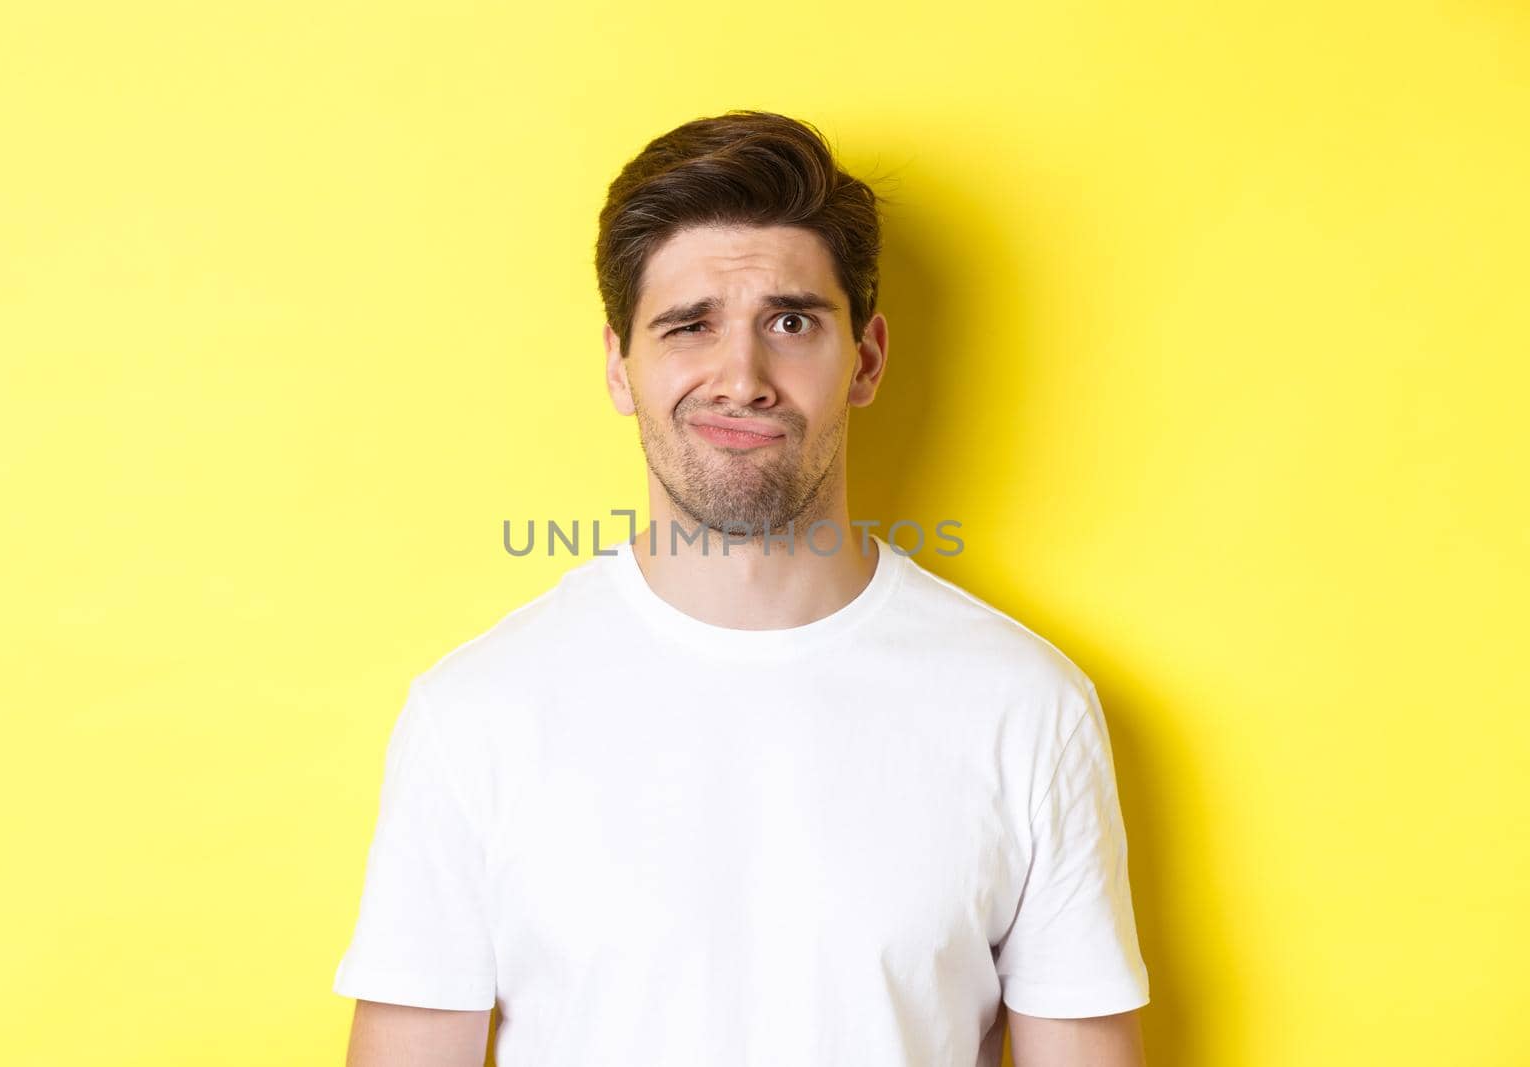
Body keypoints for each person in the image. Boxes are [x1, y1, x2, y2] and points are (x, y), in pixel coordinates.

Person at [332, 109, 1150, 1067]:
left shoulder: (1027, 708)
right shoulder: (472, 715)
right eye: (688, 326)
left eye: (791, 322)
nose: (742, 376)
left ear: (867, 359)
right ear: (618, 368)